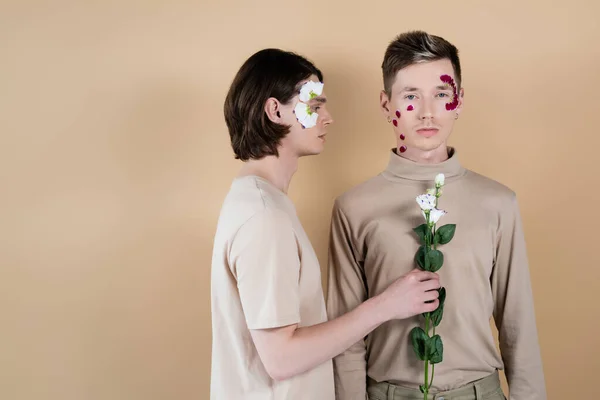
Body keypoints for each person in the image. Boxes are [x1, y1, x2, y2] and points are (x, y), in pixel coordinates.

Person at [210, 48, 442, 400]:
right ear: (275, 111)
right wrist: (386, 306)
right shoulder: (263, 217)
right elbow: (281, 358)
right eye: (315, 106)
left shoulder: (263, 204)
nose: (328, 118)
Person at [327, 31, 546, 400]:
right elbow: (346, 340)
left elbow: (517, 325)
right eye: (410, 96)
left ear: (459, 102)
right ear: (386, 104)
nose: (428, 112)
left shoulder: (498, 202)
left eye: (441, 94)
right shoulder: (353, 207)